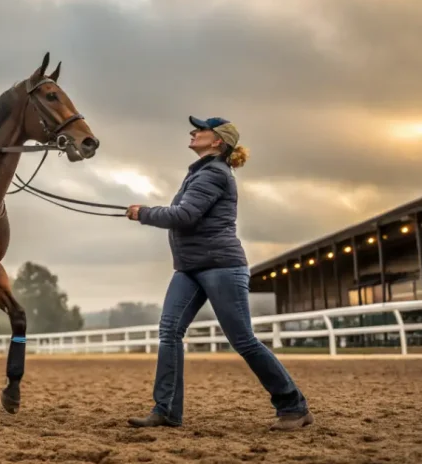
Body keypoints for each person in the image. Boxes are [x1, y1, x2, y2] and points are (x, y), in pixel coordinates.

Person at [125, 116, 314, 431]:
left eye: (200, 129)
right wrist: (145, 212)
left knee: (243, 340)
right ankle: (167, 410)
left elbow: (185, 215)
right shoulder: (202, 173)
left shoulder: (213, 174)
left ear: (217, 141)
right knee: (169, 331)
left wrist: (144, 213)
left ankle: (293, 407)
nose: (193, 131)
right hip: (190, 267)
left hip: (221, 266)